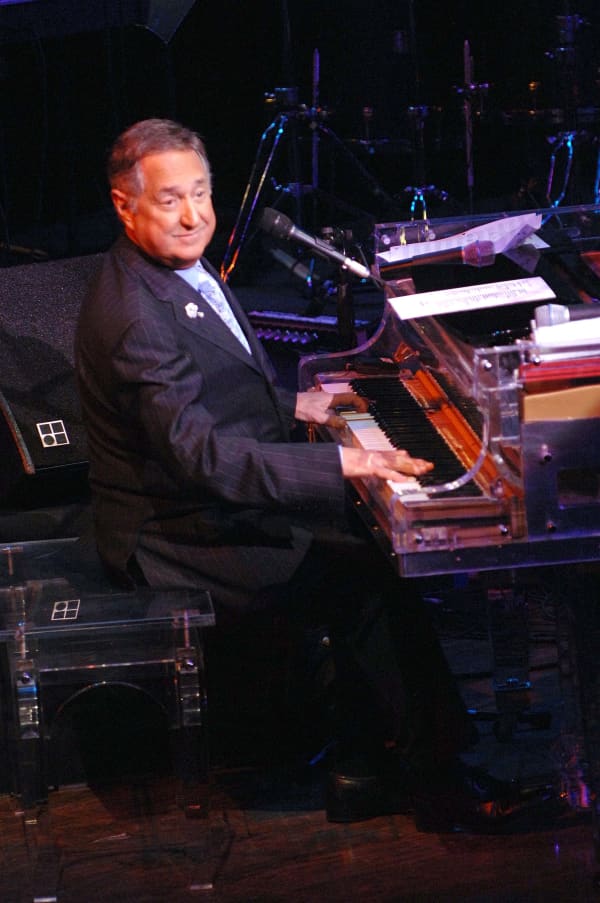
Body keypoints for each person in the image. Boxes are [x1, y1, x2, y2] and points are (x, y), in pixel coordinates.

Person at [74, 118, 538, 831]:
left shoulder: (165, 269)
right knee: (369, 573)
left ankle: (367, 761)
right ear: (124, 205)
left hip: (200, 501)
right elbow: (201, 456)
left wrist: (298, 402)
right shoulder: (136, 314)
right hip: (179, 537)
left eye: (202, 193)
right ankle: (438, 780)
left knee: (364, 544)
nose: (195, 215)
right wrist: (343, 457)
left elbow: (205, 390)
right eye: (171, 201)